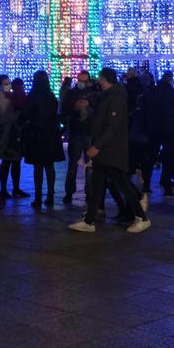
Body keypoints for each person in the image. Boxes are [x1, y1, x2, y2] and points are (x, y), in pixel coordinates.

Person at [68, 68, 150, 234]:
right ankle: (89, 220)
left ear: (106, 80)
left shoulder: (115, 98)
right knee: (97, 185)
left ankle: (142, 217)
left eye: (101, 80)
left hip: (111, 150)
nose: (99, 82)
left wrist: (97, 146)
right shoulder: (109, 96)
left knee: (122, 183)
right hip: (105, 150)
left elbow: (112, 126)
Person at [23, 69, 63, 208]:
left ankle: (38, 197)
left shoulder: (32, 96)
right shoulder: (51, 96)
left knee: (38, 167)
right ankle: (50, 195)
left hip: (36, 135)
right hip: (51, 135)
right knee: (49, 166)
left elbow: (26, 113)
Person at [61, 70, 96, 203]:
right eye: (80, 80)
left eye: (84, 81)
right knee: (73, 164)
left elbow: (97, 110)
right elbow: (65, 111)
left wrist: (88, 107)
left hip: (88, 132)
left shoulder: (93, 94)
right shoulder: (71, 94)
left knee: (89, 164)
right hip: (76, 132)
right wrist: (75, 108)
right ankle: (69, 192)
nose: (82, 83)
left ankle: (90, 192)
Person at [0, 75, 29, 201]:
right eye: (5, 83)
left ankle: (13, 188)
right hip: (9, 134)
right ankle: (5, 189)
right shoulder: (2, 97)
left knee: (13, 162)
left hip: (11, 134)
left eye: (9, 83)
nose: (8, 85)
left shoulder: (13, 96)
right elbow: (4, 116)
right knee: (8, 162)